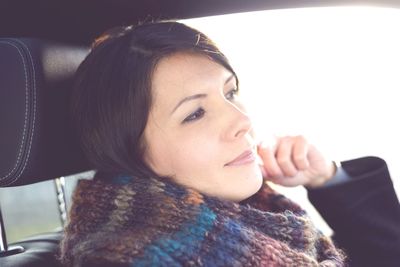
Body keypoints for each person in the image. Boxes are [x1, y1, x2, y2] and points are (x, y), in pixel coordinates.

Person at [59, 21, 400, 267]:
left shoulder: (256, 216)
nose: (243, 121)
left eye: (230, 92)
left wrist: (327, 177)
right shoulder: (129, 256)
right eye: (195, 113)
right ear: (133, 151)